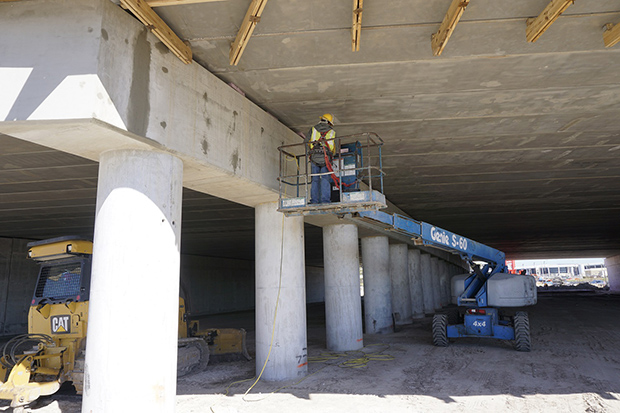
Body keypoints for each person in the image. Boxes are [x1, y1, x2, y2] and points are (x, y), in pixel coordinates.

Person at [305, 114, 336, 204]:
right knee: (325, 179)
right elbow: (335, 148)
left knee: (315, 180)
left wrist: (310, 152)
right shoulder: (332, 132)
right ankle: (325, 201)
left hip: (314, 157)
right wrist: (331, 155)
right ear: (329, 123)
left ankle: (314, 200)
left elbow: (306, 142)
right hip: (326, 159)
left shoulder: (313, 129)